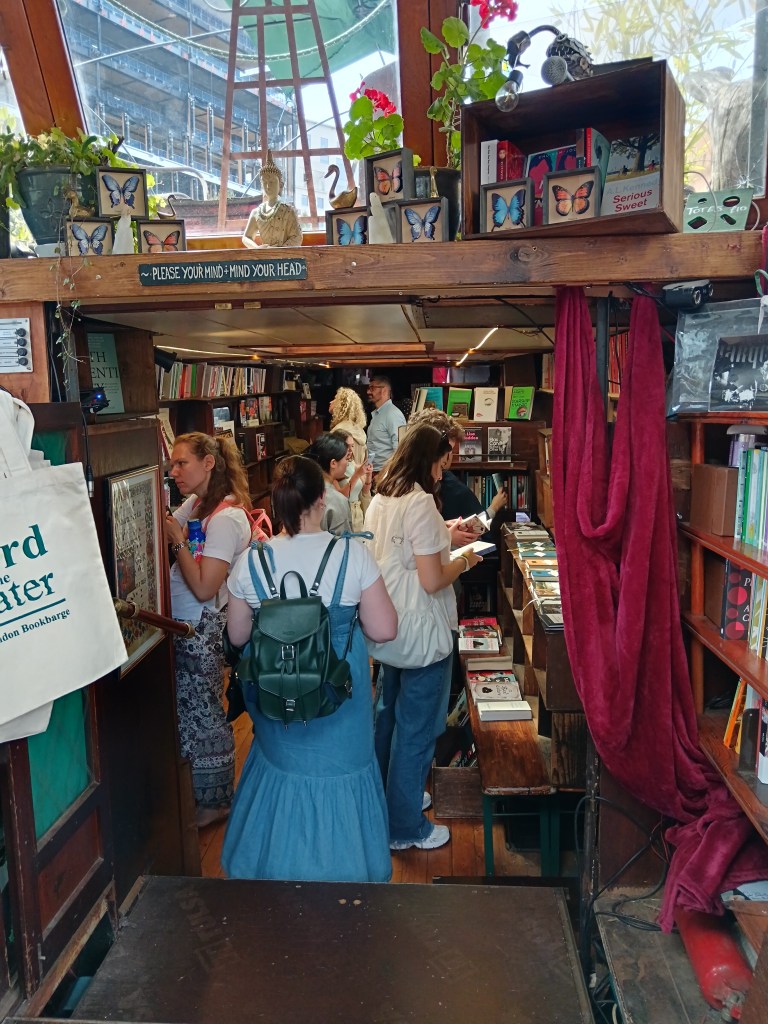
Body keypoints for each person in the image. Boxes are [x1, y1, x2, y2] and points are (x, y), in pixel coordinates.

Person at [221, 456, 398, 882]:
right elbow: (384, 629)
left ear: (278, 502)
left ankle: (280, 875)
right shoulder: (352, 555)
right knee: (342, 775)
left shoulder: (253, 561)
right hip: (339, 697)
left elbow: (238, 636)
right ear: (322, 498)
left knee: (282, 771)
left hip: (276, 696)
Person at [365, 425, 483, 851]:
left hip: (388, 625)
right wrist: (465, 560)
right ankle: (405, 826)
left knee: (387, 719)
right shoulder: (419, 501)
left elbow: (402, 553)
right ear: (428, 460)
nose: (442, 472)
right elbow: (432, 579)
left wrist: (443, 534)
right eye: (441, 462)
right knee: (416, 729)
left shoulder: (381, 497)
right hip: (422, 632)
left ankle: (387, 801)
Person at [164, 431, 259, 829]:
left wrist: (177, 543)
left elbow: (205, 587)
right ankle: (201, 796)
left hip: (201, 628)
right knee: (191, 713)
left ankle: (217, 801)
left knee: (205, 714)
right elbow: (169, 522)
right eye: (172, 464)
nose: (173, 471)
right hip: (186, 625)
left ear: (208, 464)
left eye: (181, 463)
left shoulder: (225, 519)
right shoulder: (198, 503)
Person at [407, 408, 508, 523]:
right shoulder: (448, 487)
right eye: (448, 450)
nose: (449, 457)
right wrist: (494, 507)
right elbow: (479, 524)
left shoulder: (399, 483)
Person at [329, 386, 373, 531]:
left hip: (347, 501)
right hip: (359, 498)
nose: (331, 402)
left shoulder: (338, 434)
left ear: (342, 405)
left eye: (335, 399)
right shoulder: (360, 432)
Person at [242, 149, 303, 248]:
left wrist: (278, 250)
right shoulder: (257, 212)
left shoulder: (288, 211)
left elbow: (297, 238)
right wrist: (257, 248)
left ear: (281, 185)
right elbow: (246, 237)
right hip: (264, 255)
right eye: (264, 183)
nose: (268, 186)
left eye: (272, 182)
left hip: (283, 255)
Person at [306, 431, 355, 535]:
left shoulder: (302, 489)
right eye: (346, 458)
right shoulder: (336, 500)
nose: (347, 463)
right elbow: (344, 540)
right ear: (333, 463)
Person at [365, 375, 406, 475]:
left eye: (372, 388)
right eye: (369, 388)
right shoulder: (378, 414)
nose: (368, 392)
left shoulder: (393, 415)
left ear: (384, 390)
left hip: (384, 473)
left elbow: (399, 450)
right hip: (373, 471)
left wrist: (386, 474)